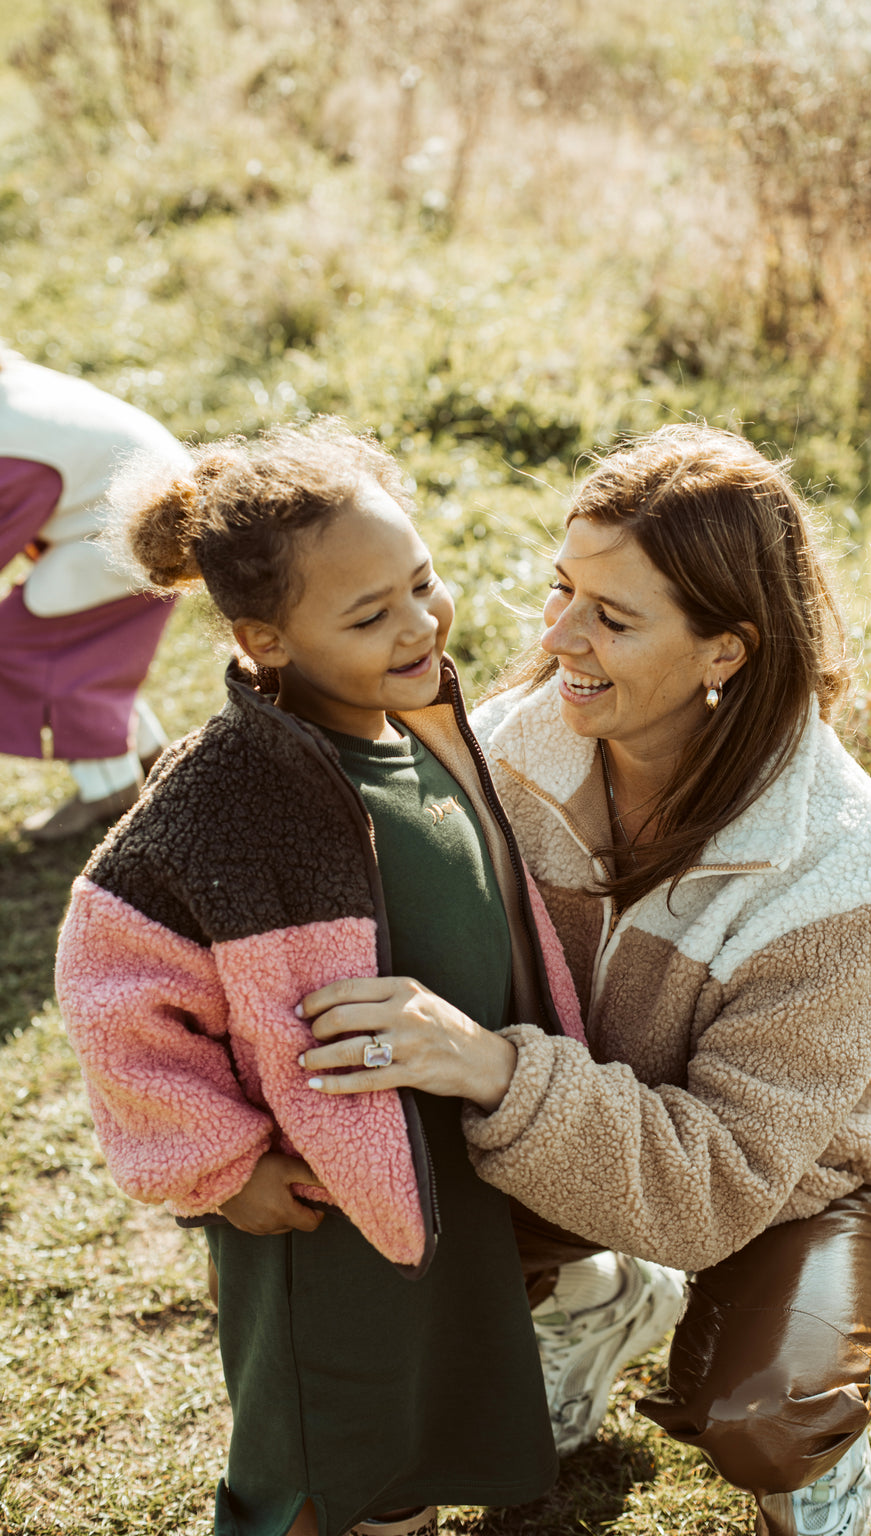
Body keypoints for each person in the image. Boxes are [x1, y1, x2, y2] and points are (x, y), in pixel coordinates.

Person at [293, 424, 871, 1536]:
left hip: (783, 1176)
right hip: (567, 1129)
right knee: (351, 1220)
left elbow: (720, 1185)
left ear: (724, 651)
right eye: (561, 591)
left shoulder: (839, 872)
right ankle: (596, 1297)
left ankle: (817, 1465)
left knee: (763, 1419)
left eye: (612, 616)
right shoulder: (496, 753)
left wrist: (498, 1070)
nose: (558, 638)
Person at [54, 420, 587, 1536]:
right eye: (368, 614)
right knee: (328, 1431)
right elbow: (113, 988)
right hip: (319, 1185)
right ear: (265, 639)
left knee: (427, 1399)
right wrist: (219, 1163)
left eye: (421, 583)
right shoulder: (229, 796)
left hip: (437, 1157)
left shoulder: (424, 729)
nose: (419, 622)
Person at [0, 349, 191, 840]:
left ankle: (111, 788)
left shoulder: (11, 446)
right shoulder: (16, 392)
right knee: (91, 654)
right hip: (147, 514)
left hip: (134, 531)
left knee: (38, 648)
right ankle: (147, 755)